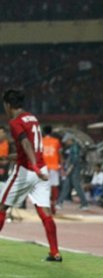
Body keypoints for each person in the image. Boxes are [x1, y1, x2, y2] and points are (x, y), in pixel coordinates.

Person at [0, 89, 61, 262]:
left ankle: (55, 252)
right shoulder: (32, 118)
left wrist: (32, 166)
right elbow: (31, 147)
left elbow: (26, 144)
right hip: (42, 170)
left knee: (2, 206)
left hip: (27, 171)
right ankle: (55, 252)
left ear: (8, 104)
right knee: (45, 211)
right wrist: (9, 157)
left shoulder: (15, 122)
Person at [57, 134, 89, 210]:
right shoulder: (73, 147)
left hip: (75, 169)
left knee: (77, 186)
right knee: (66, 186)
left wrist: (68, 170)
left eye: (66, 141)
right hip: (73, 169)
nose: (66, 143)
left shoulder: (75, 147)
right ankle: (59, 203)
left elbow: (75, 160)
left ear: (70, 140)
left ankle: (85, 204)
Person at [42, 125, 62, 214]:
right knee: (54, 186)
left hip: (43, 167)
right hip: (54, 166)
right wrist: (60, 165)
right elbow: (59, 154)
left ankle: (44, 207)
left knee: (44, 187)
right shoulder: (56, 141)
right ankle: (53, 206)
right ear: (51, 131)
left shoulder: (40, 141)